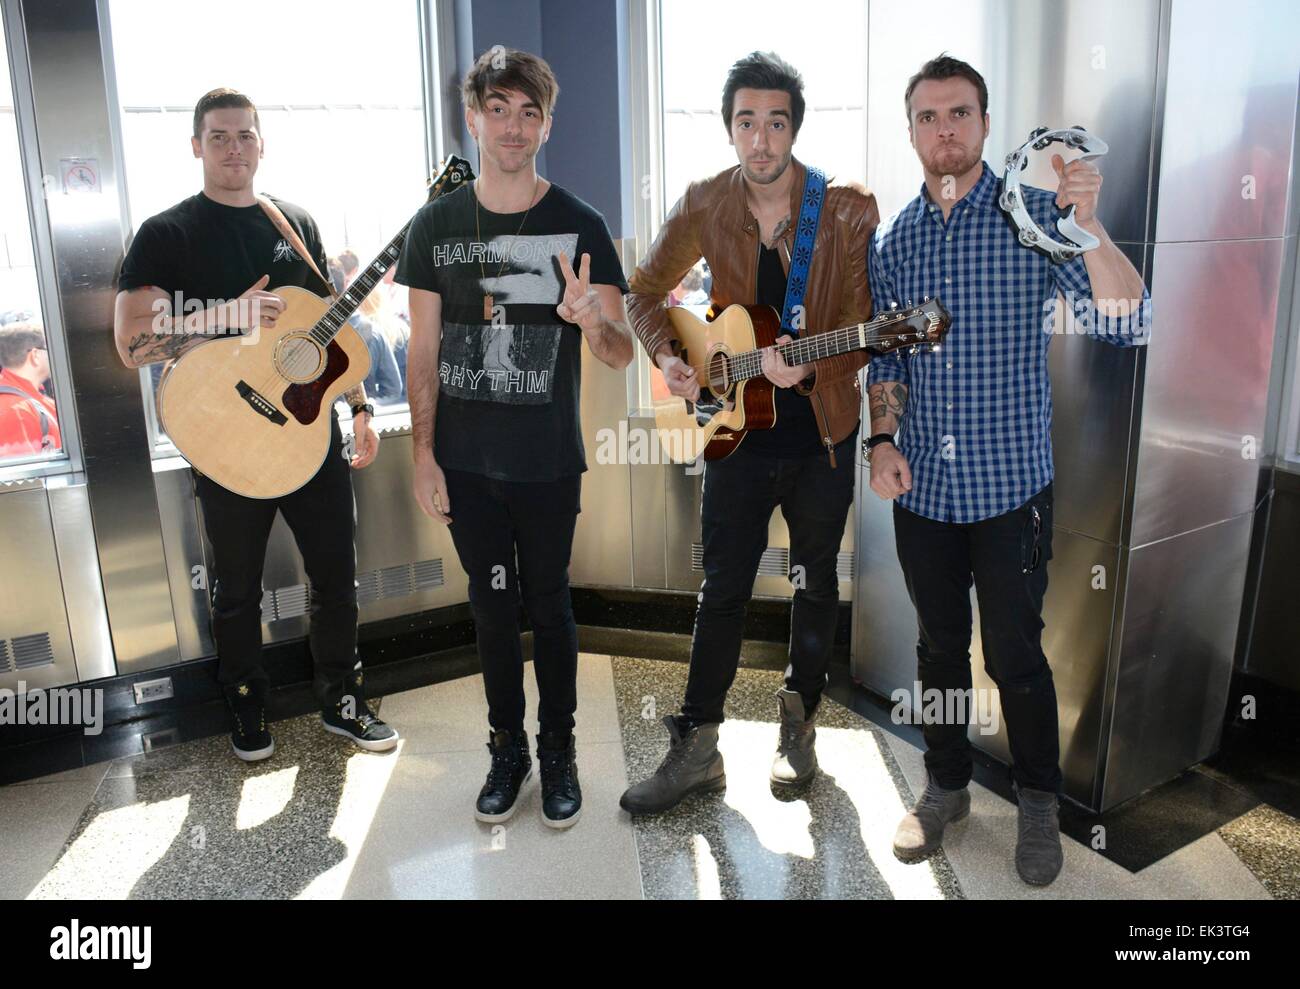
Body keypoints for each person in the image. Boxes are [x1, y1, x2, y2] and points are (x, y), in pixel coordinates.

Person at [865, 55, 1150, 885]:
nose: (943, 129)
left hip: (1008, 491)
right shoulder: (895, 240)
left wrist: (1090, 227)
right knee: (938, 648)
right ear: (912, 129)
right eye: (927, 116)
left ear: (986, 124)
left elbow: (1131, 324)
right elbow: (886, 363)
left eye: (959, 113)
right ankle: (946, 785)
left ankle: (1036, 803)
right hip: (921, 491)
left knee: (1016, 657)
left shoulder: (1032, 217)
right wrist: (881, 442)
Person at [619, 51, 879, 814]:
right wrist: (672, 356)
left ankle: (798, 729)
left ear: (794, 128)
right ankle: (698, 746)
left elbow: (867, 332)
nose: (761, 140)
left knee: (814, 582)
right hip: (735, 434)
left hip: (821, 438)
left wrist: (815, 367)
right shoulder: (705, 202)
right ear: (729, 128)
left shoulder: (846, 209)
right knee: (722, 588)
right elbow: (643, 292)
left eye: (775, 123)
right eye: (746, 123)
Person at [113, 87, 398, 762]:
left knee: (336, 575)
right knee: (235, 589)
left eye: (245, 135)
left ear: (262, 143)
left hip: (308, 432)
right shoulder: (167, 233)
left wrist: (358, 407)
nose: (233, 148)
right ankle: (246, 706)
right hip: (227, 439)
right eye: (219, 137)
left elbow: (326, 330)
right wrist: (222, 316)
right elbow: (131, 344)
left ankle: (343, 700)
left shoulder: (294, 221)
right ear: (196, 146)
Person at [396, 48, 633, 829]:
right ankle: (508, 749)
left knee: (551, 605)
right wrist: (424, 453)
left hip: (544, 463)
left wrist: (590, 317)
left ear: (547, 125)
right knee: (493, 609)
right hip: (465, 464)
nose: (512, 126)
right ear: (473, 117)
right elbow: (420, 351)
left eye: (529, 113)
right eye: (497, 108)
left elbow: (619, 350)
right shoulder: (434, 225)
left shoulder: (580, 222)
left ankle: (558, 747)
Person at [0, 323, 60, 458]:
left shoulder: (27, 402)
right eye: (49, 349)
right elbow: (23, 478)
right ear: (35, 355)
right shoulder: (17, 410)